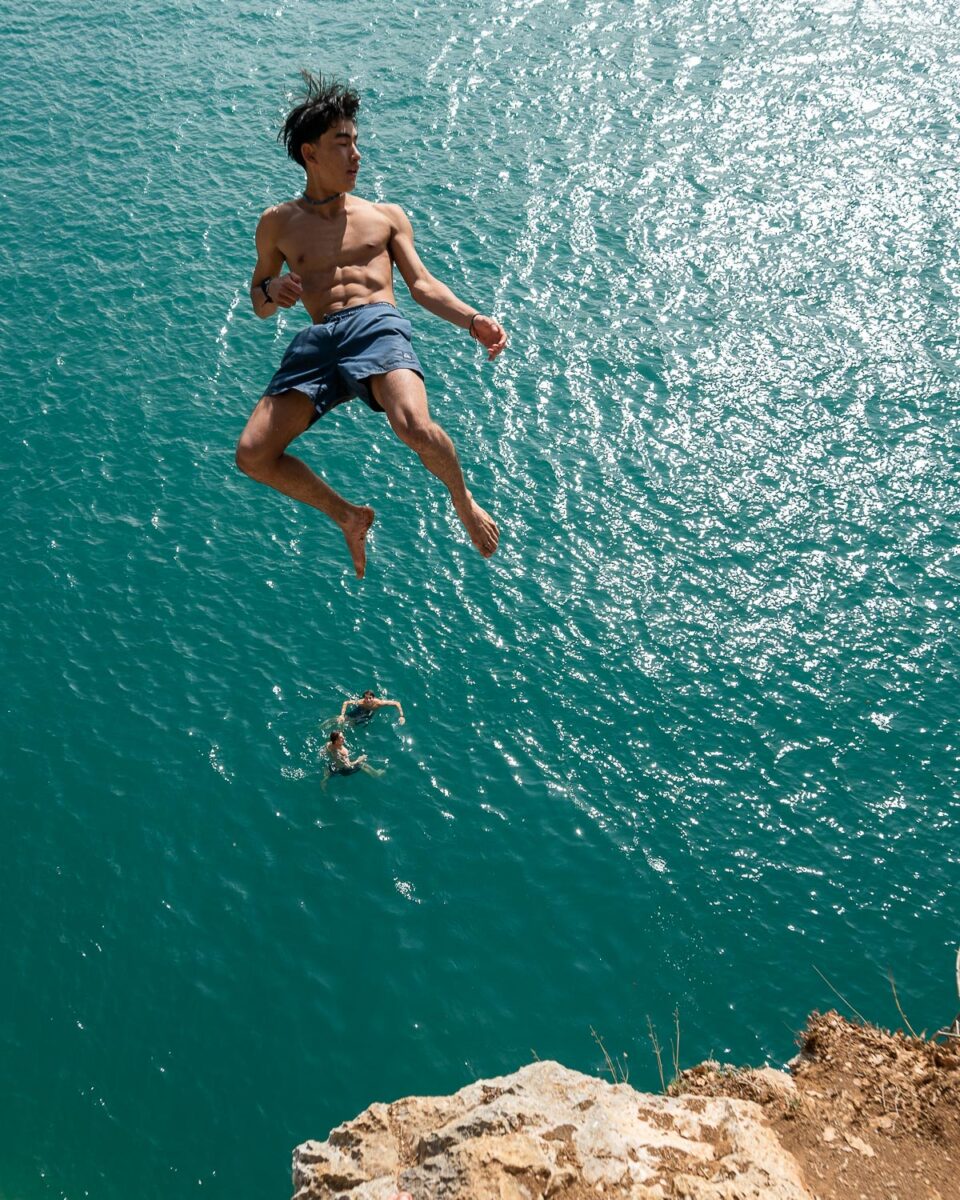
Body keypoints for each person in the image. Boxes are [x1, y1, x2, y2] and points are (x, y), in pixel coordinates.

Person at [236, 71, 507, 579]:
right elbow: (259, 299)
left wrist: (474, 320)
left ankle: (462, 498)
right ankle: (346, 514)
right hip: (318, 340)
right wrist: (274, 292)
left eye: (357, 142)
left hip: (375, 325)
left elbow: (422, 286)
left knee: (414, 427)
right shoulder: (277, 223)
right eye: (343, 144)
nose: (357, 154)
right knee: (253, 454)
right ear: (310, 153)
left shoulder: (385, 217)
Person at [338, 689, 405, 726]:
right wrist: (342, 715)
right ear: (364, 698)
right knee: (345, 718)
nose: (368, 700)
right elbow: (346, 702)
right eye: (366, 698)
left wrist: (401, 716)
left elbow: (397, 703)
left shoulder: (379, 703)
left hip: (370, 712)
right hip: (361, 708)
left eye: (370, 698)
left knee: (354, 723)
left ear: (373, 697)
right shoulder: (360, 702)